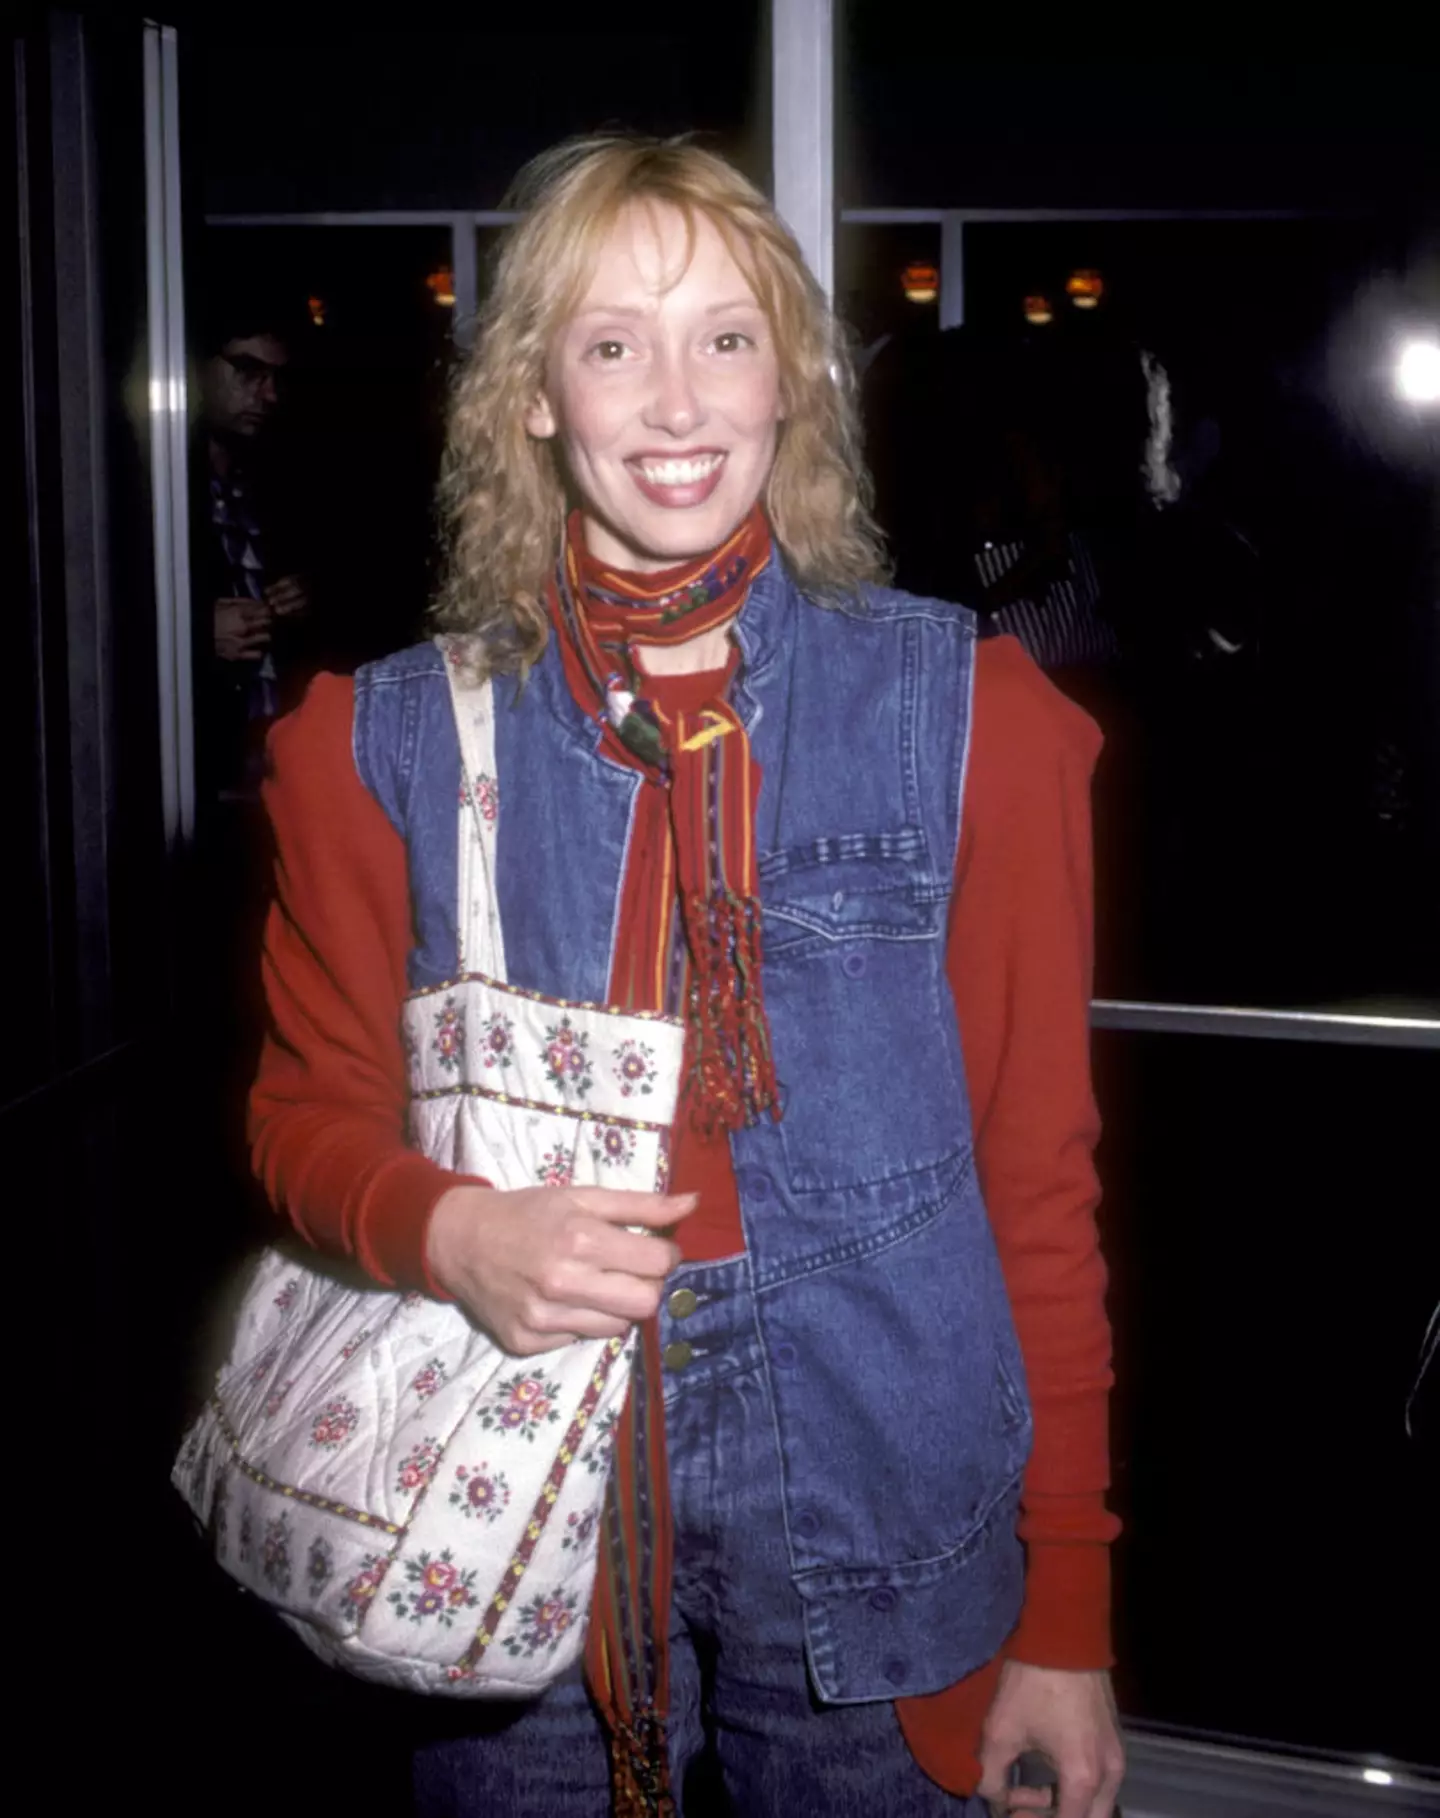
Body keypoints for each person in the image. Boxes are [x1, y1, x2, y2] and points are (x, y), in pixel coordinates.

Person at [248, 135, 1123, 1818]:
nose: (674, 399)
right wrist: (449, 1227)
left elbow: (1038, 1185)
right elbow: (302, 1112)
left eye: (726, 336)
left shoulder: (974, 724)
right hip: (517, 1495)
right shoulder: (374, 744)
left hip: (881, 1484)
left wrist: (1069, 1602)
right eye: (611, 342)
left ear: (789, 377)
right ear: (532, 396)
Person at [193, 289, 316, 804]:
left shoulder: (274, 481)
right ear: (197, 368)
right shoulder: (153, 496)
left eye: (275, 379)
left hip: (276, 767)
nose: (268, 395)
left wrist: (304, 600)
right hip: (198, 769)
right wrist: (198, 634)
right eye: (248, 371)